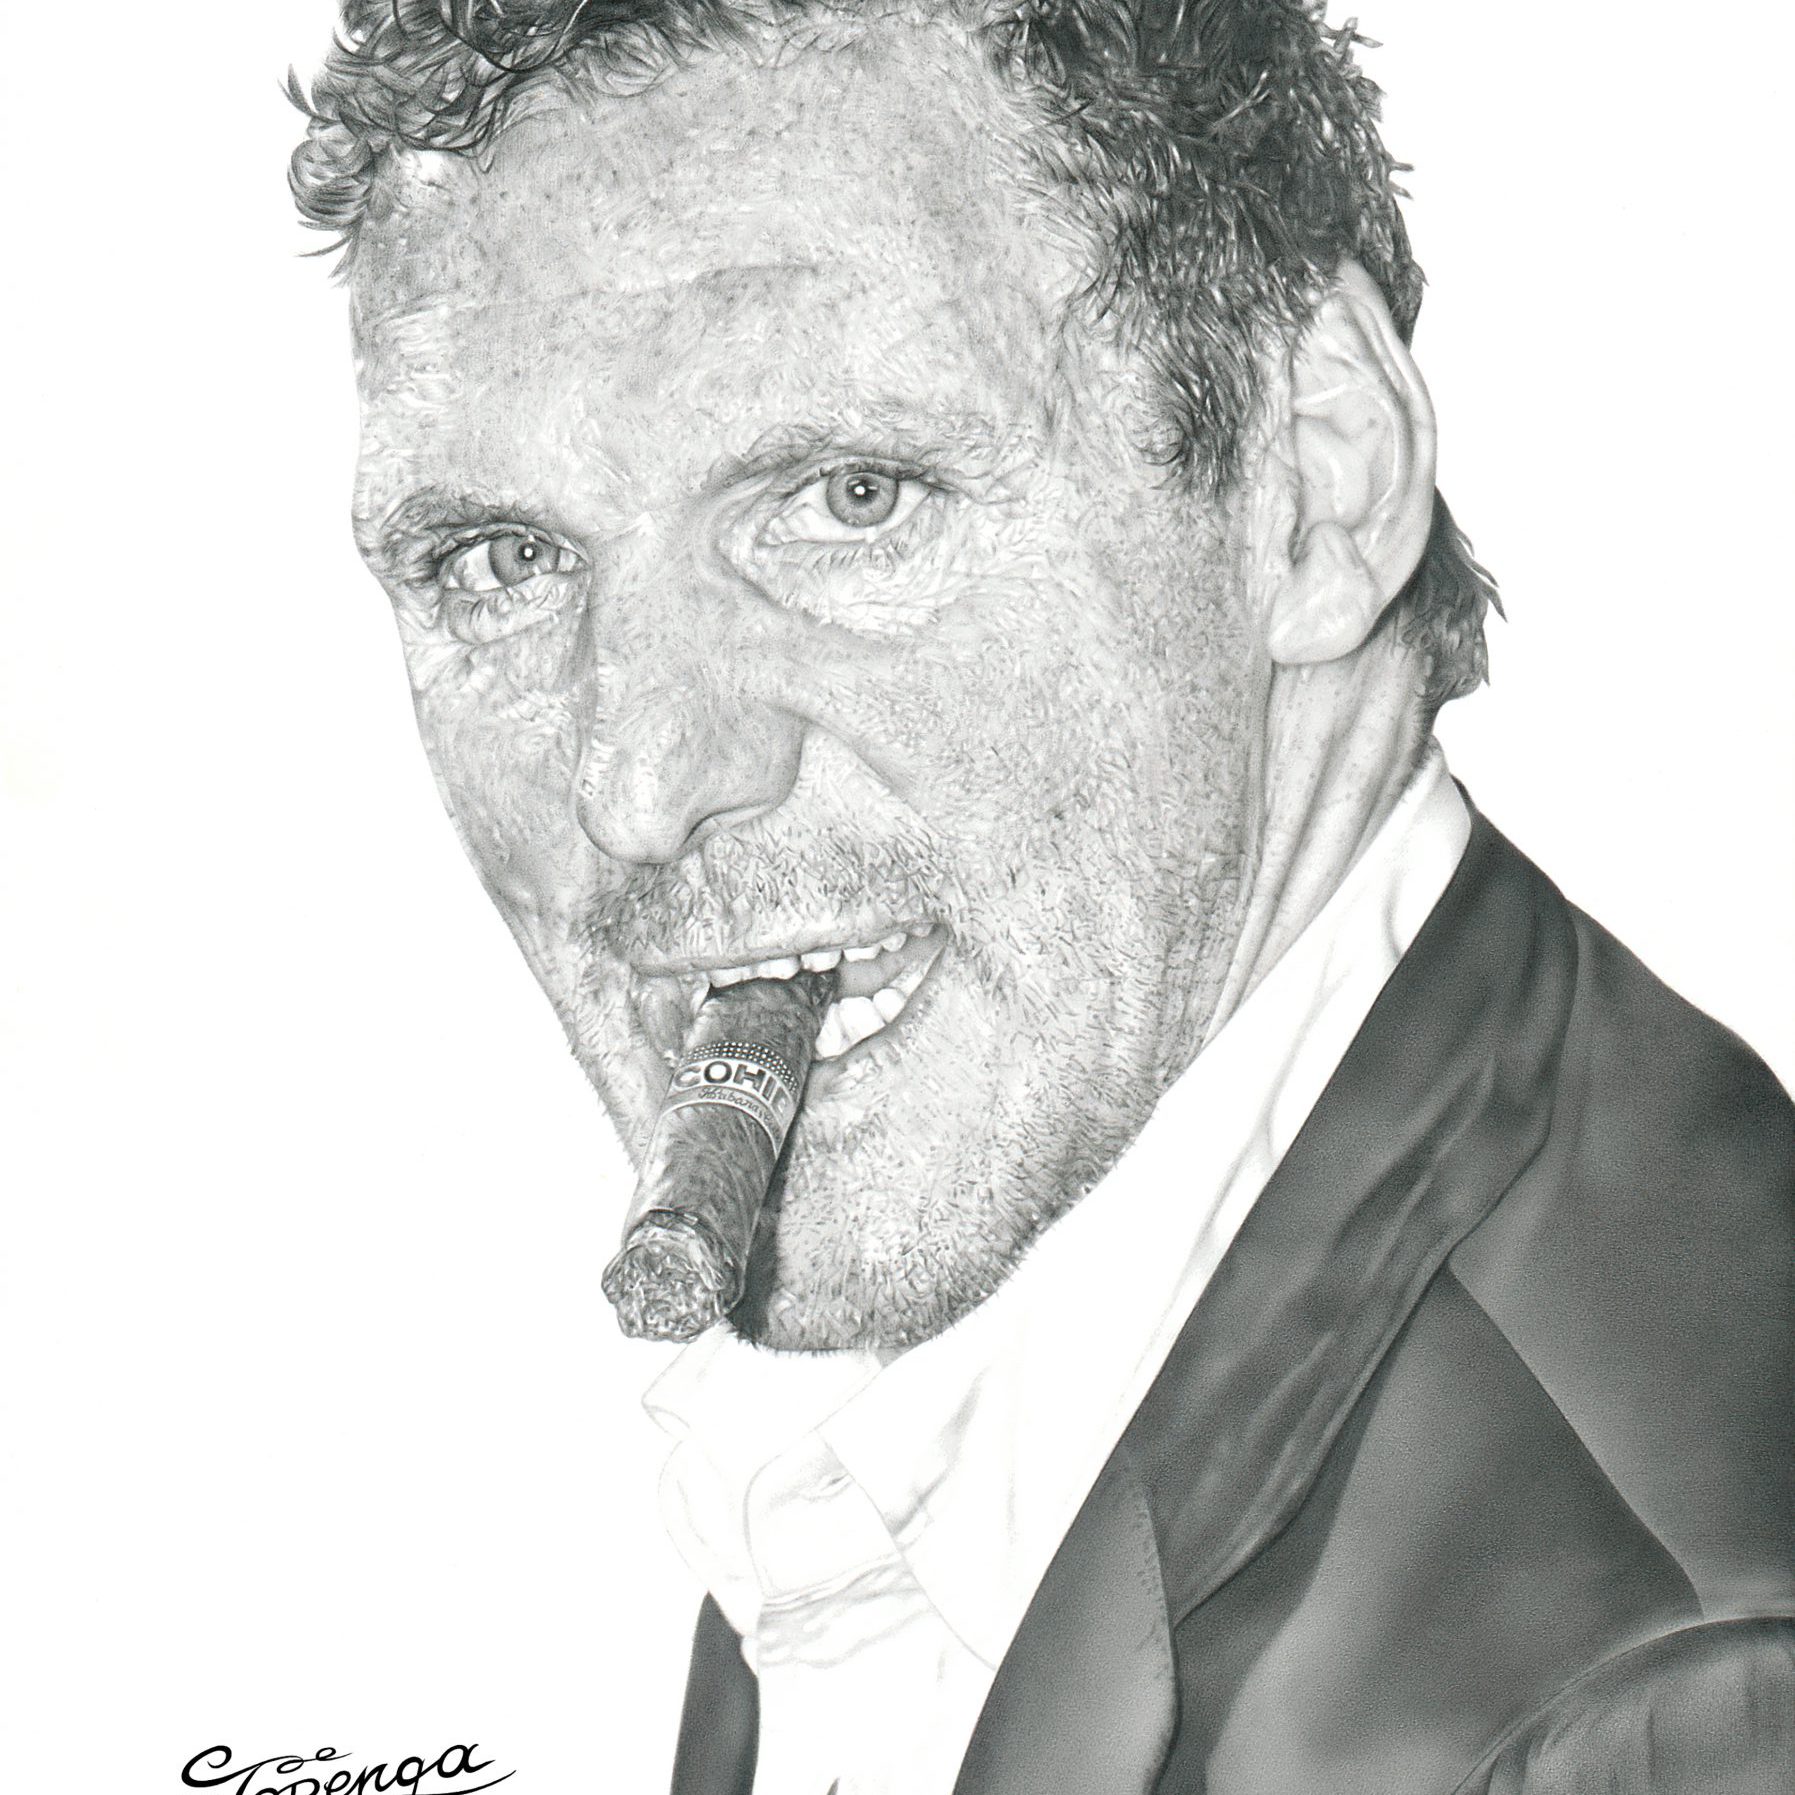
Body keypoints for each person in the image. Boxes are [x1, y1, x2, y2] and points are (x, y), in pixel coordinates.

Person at [290, 1, 1795, 1788]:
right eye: (498, 560)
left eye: (852, 498)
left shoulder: (1675, 1704)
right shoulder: (956, 1379)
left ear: (1317, 478)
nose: (636, 790)